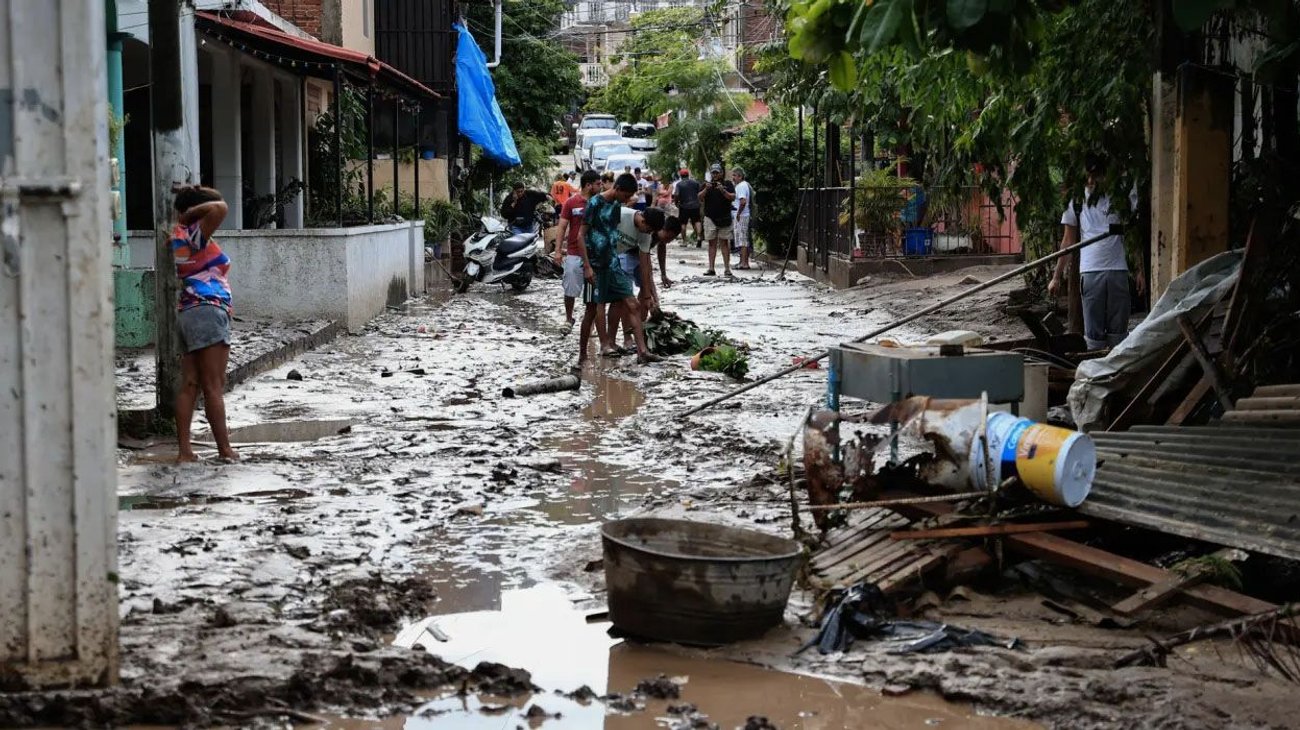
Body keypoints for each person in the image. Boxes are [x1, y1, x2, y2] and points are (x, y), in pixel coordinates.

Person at [1048, 153, 1144, 350]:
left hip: (1118, 271)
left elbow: (1132, 234)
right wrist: (1056, 276)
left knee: (1119, 336)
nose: (1091, 181)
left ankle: (1117, 376)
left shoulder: (1120, 198)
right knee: (1094, 337)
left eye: (1097, 175)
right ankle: (1095, 374)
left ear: (1106, 175)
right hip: (1091, 273)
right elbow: (1068, 240)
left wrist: (1139, 269)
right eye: (1088, 176)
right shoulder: (1076, 200)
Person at [171, 186, 237, 464]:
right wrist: (192, 212)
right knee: (213, 385)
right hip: (209, 310)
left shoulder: (179, 236)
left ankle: (185, 450)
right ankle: (225, 449)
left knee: (190, 383)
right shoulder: (194, 233)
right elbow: (221, 206)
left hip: (189, 311)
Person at [580, 173, 661, 365]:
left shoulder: (617, 206)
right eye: (626, 196)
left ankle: (642, 351)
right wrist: (587, 266)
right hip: (595, 264)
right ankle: (585, 353)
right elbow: (580, 236)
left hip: (613, 263)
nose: (628, 200)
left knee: (632, 304)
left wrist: (649, 294)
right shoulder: (594, 203)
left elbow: (613, 236)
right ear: (618, 189)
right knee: (593, 309)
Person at [554, 170, 600, 332]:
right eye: (597, 184)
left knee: (594, 290)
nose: (600, 187)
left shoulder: (599, 203)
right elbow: (562, 226)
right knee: (570, 288)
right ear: (588, 185)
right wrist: (558, 251)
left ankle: (591, 323)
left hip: (594, 253)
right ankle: (569, 318)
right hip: (574, 252)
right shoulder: (571, 203)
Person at [699, 164, 736, 277]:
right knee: (711, 243)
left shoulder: (727, 184)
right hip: (710, 217)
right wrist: (706, 189)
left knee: (724, 243)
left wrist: (723, 191)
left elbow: (733, 197)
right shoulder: (706, 184)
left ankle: (727, 269)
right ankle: (711, 268)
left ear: (721, 173)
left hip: (724, 217)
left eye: (717, 172)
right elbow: (699, 197)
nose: (715, 175)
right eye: (713, 173)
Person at [673, 168, 703, 247]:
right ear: (688, 175)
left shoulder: (679, 184)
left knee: (683, 224)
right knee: (697, 221)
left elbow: (676, 194)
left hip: (684, 206)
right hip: (695, 205)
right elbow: (700, 193)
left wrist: (676, 202)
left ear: (681, 176)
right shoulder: (695, 183)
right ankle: (699, 237)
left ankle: (684, 241)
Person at [731, 167, 754, 269]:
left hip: (742, 216)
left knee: (743, 240)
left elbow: (743, 201)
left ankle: (744, 263)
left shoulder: (741, 186)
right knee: (742, 240)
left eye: (734, 175)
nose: (733, 178)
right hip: (742, 215)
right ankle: (742, 262)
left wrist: (738, 213)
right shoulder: (743, 185)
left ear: (740, 176)